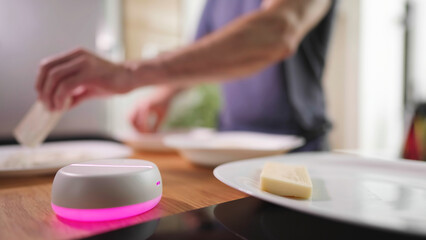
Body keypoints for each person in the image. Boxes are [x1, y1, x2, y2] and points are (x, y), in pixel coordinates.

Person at [35, 0, 335, 151]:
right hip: (230, 146)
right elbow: (202, 54)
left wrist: (129, 73)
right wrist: (163, 95)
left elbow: (278, 32)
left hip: (298, 149)